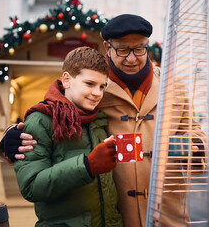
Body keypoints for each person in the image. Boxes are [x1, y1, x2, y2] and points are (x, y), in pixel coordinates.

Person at [0, 14, 206, 226]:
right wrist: (11, 136)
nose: (132, 58)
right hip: (120, 217)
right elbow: (55, 107)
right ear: (107, 47)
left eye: (139, 49)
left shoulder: (174, 86)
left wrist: (195, 146)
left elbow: (195, 132)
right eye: (123, 50)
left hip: (169, 215)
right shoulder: (94, 90)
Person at [9, 47, 123, 227]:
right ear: (67, 79)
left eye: (102, 86)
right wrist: (87, 166)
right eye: (89, 84)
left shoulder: (98, 118)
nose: (97, 93)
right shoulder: (40, 119)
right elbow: (31, 187)